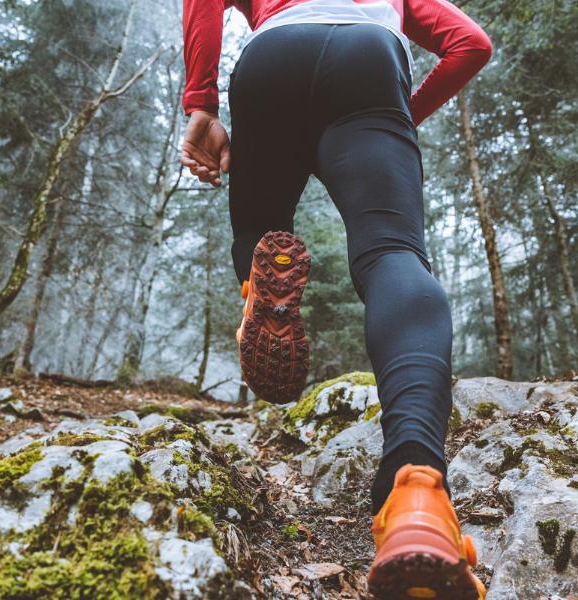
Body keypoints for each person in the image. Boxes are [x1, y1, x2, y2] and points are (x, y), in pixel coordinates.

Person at [181, 1, 491, 598]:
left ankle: (258, 294)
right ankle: (416, 494)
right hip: (367, 61)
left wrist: (202, 102)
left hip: (273, 55)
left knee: (260, 233)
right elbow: (470, 44)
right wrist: (401, 115)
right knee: (392, 256)